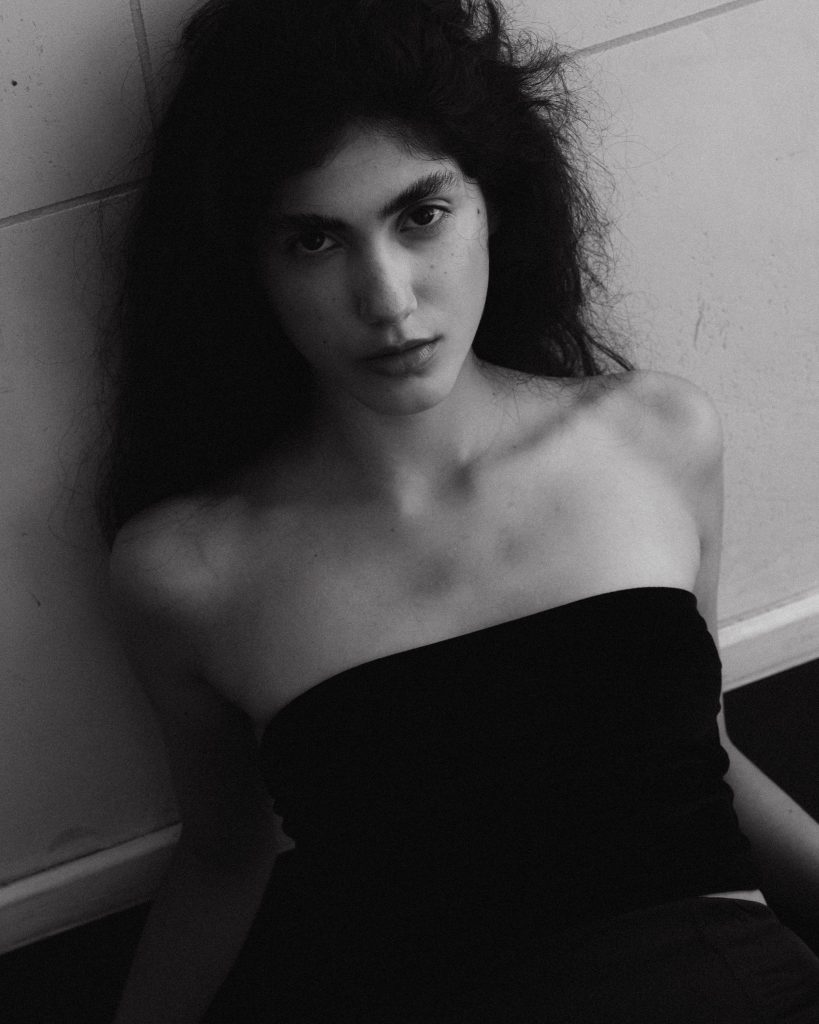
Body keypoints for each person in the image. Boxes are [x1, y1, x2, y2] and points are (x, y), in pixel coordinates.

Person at [102, 1, 819, 1020]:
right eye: (314, 240)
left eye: (421, 215)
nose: (388, 299)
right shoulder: (190, 571)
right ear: (249, 266)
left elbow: (702, 756)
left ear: (491, 202)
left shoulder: (654, 437)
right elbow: (223, 856)